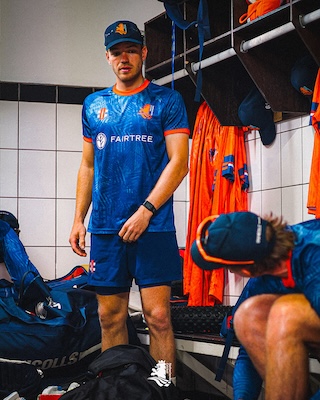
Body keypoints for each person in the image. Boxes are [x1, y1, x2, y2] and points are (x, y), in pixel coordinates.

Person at [69, 20, 190, 382]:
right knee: (110, 318)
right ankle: (118, 390)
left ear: (144, 54)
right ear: (107, 57)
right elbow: (88, 166)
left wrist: (146, 210)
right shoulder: (94, 105)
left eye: (131, 50)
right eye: (117, 51)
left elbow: (179, 163)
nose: (124, 57)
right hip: (106, 228)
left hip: (152, 227)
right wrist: (78, 219)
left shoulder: (166, 100)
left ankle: (163, 388)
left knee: (158, 318)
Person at [191, 211, 320, 400]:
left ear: (244, 270)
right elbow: (248, 350)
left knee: (285, 314)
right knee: (247, 315)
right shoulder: (264, 276)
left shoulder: (313, 258)